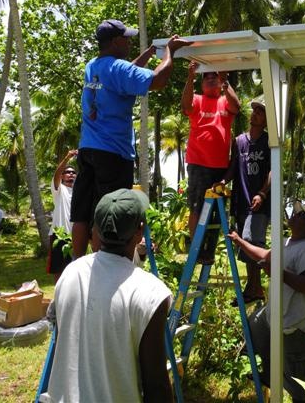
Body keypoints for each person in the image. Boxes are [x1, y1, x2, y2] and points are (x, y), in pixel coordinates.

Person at [71, 19, 189, 257]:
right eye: (126, 38)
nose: (129, 41)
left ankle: (76, 263)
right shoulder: (119, 68)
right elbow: (158, 80)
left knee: (83, 212)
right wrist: (169, 52)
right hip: (113, 154)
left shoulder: (93, 66)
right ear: (115, 42)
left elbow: (122, 77)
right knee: (107, 211)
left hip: (88, 150)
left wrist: (145, 56)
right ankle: (103, 267)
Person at [45, 188, 173, 403]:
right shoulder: (151, 292)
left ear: (95, 230)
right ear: (140, 232)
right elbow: (156, 383)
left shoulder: (70, 273)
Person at [228, 202, 305, 403]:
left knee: (299, 380)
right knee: (255, 323)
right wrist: (240, 242)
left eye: (300, 214)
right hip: (278, 316)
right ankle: (271, 373)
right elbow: (265, 255)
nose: (295, 214)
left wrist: (277, 273)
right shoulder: (288, 242)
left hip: (296, 323)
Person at [214, 94, 271, 305]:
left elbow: (272, 171)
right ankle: (254, 288)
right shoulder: (239, 141)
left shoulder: (268, 141)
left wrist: (262, 193)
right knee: (246, 245)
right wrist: (222, 181)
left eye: (260, 112)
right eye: (255, 110)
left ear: (266, 120)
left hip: (259, 204)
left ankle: (253, 288)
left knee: (250, 242)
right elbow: (233, 168)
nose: (255, 114)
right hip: (241, 201)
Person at [181, 60, 240, 243]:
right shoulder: (198, 99)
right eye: (206, 76)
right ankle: (196, 247)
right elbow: (186, 106)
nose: (210, 79)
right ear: (201, 83)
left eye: (214, 75)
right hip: (199, 164)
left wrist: (225, 81)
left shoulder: (224, 100)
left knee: (216, 211)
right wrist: (190, 78)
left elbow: (236, 107)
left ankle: (208, 249)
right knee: (197, 208)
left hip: (220, 168)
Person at [46, 150, 77, 282]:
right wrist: (66, 158)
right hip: (59, 235)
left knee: (75, 269)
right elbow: (56, 175)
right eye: (67, 172)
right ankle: (59, 297)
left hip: (76, 236)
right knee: (59, 269)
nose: (71, 174)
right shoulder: (59, 190)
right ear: (63, 176)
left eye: (73, 172)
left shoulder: (79, 191)